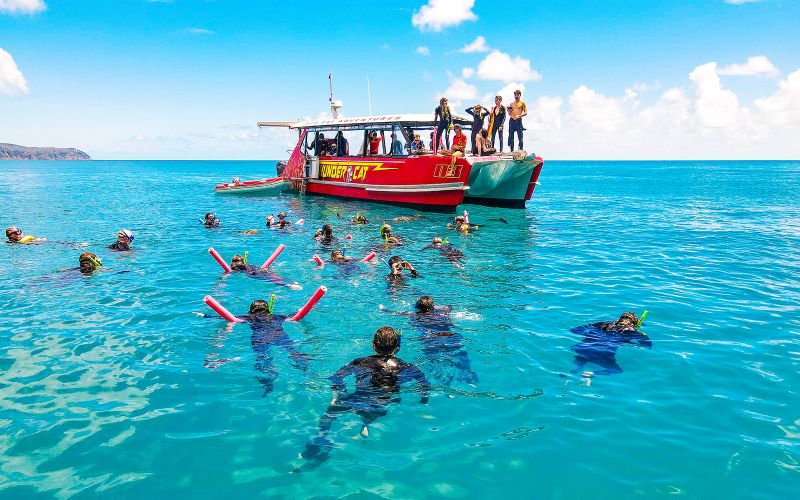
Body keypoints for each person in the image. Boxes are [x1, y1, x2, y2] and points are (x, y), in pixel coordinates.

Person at [298, 326, 430, 469]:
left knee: (328, 415)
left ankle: (321, 439)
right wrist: (423, 402)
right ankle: (365, 424)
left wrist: (338, 394)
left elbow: (336, 378)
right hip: (382, 405)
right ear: (397, 347)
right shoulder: (407, 366)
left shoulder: (359, 362)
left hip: (357, 401)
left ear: (373, 346)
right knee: (387, 400)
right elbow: (424, 385)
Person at [381, 296, 478, 385]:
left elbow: (393, 312)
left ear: (418, 307)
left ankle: (443, 382)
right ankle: (469, 375)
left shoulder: (414, 315)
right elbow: (449, 306)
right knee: (461, 355)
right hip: (451, 337)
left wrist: (383, 309)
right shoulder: (444, 310)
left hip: (431, 340)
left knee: (435, 362)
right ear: (433, 306)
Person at [570, 312, 652, 381]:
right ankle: (591, 373)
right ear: (634, 324)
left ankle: (570, 375)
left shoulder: (603, 323)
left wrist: (589, 335)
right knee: (616, 370)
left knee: (580, 363)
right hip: (602, 353)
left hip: (584, 347)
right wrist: (642, 335)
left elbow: (574, 330)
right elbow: (648, 345)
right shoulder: (631, 331)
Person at [228, 254, 302, 289]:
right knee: (274, 277)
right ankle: (292, 282)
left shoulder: (236, 267)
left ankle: (288, 285)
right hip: (261, 270)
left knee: (271, 280)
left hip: (255, 274)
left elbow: (232, 271)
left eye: (235, 261)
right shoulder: (248, 264)